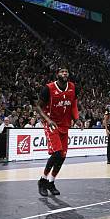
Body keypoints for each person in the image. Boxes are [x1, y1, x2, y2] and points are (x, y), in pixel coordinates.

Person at [35, 67, 79, 196]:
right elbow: (38, 107)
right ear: (57, 75)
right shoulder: (48, 88)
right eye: (62, 72)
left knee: (63, 156)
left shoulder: (72, 87)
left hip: (65, 125)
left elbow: (74, 105)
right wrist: (48, 120)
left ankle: (51, 182)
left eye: (66, 71)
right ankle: (42, 180)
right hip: (52, 124)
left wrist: (76, 119)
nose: (65, 73)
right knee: (57, 153)